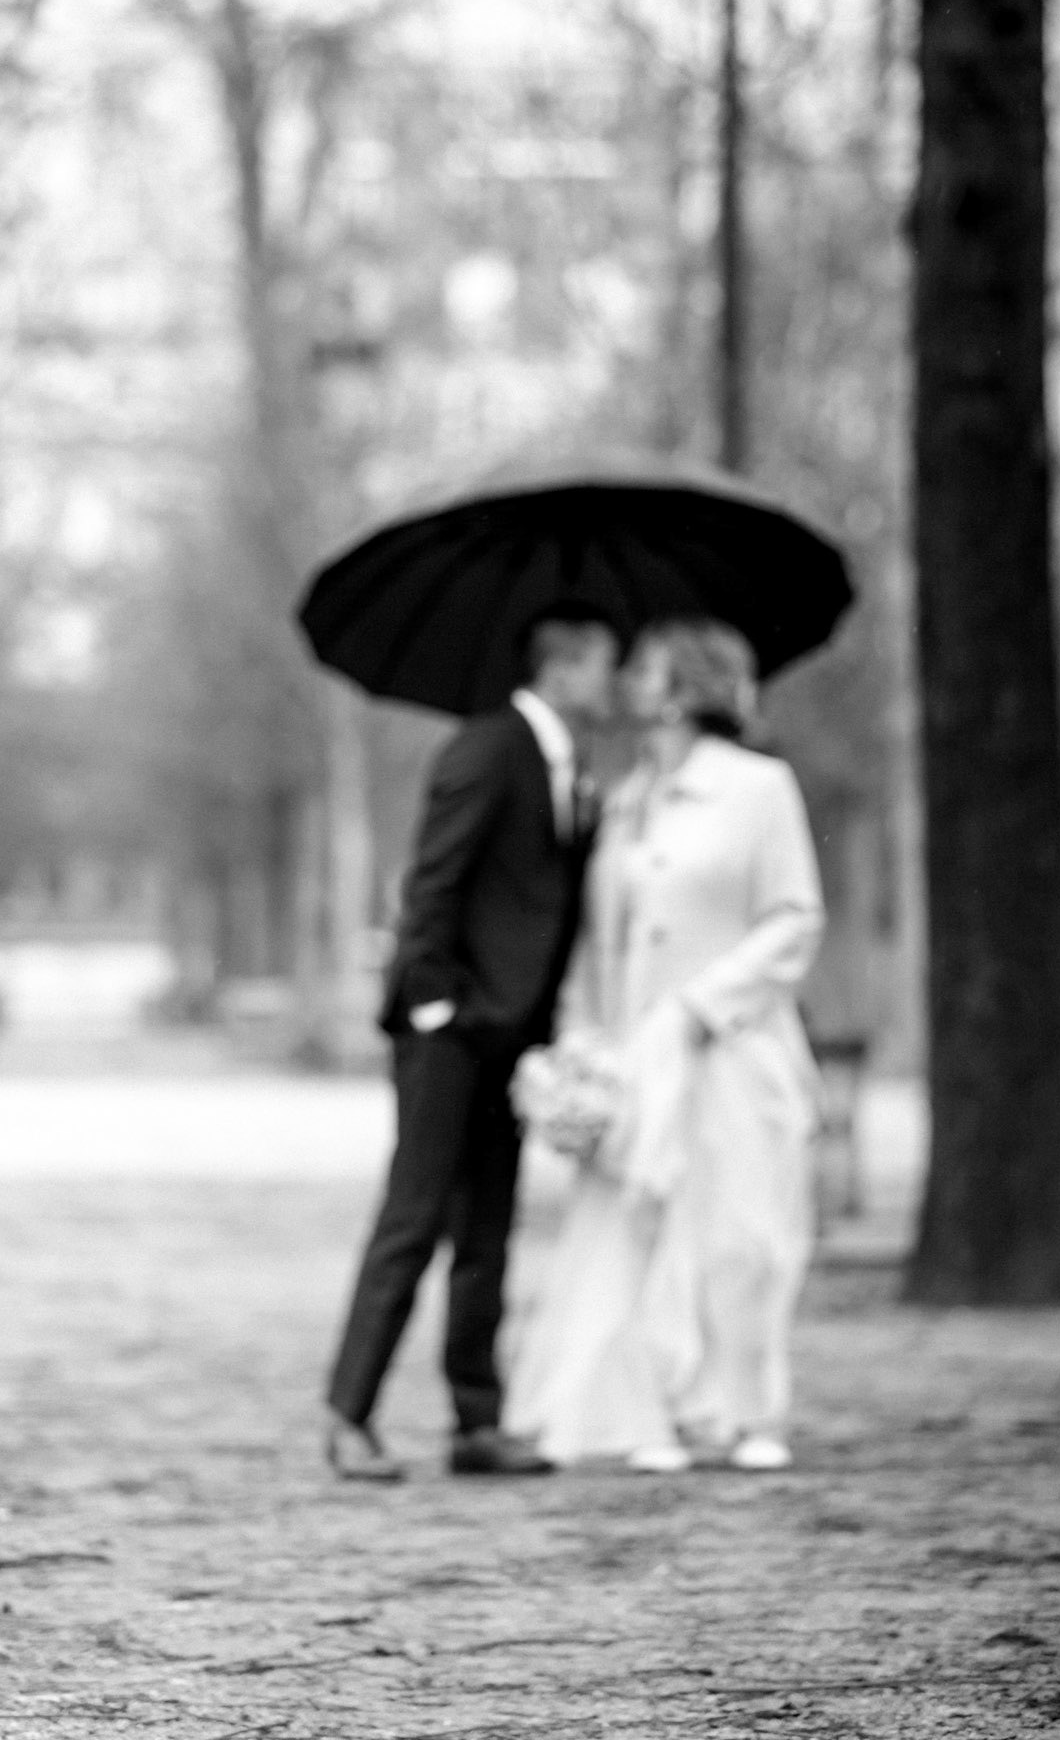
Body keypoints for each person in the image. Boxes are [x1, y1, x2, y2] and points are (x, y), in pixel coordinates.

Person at [505, 618, 825, 1472]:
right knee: (644, 1234)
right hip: (635, 1061)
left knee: (740, 1237)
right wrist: (580, 1037)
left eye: (642, 670)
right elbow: (592, 942)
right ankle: (662, 1412)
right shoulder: (621, 800)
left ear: (683, 689)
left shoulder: (759, 789)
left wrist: (700, 1007)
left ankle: (752, 1415)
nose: (625, 684)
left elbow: (794, 918)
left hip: (732, 1053)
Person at [324, 605, 620, 1480]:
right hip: (448, 1037)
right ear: (563, 669)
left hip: (512, 1040)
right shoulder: (488, 748)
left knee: (488, 1231)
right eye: (606, 664)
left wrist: (535, 1033)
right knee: (412, 1221)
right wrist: (433, 1010)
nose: (613, 682)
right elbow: (432, 883)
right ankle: (348, 1417)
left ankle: (475, 1423)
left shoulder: (571, 769)